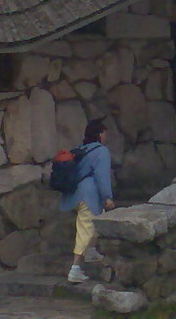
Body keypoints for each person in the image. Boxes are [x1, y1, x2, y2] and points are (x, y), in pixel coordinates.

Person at [59, 118, 115, 283]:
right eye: (105, 133)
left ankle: (90, 252)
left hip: (74, 195)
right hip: (88, 194)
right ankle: (75, 269)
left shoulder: (80, 150)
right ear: (99, 134)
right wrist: (107, 197)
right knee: (86, 228)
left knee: (95, 220)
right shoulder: (101, 151)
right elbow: (102, 176)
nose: (106, 136)